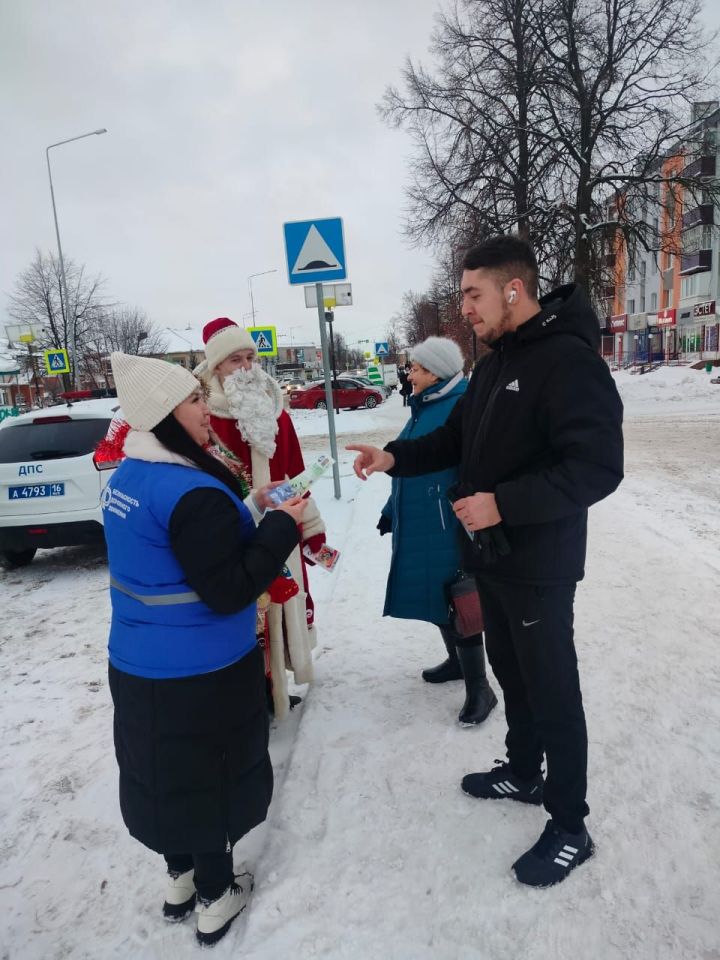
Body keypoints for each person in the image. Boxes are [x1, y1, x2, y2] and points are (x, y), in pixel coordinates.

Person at [349, 235, 623, 888]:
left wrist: (502, 504)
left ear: (512, 290)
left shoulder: (566, 361)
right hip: (490, 559)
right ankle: (524, 771)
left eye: (472, 295)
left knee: (553, 690)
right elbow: (454, 437)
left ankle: (569, 825)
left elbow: (597, 467)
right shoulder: (497, 361)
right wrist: (394, 457)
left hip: (537, 563)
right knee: (512, 674)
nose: (464, 308)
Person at [104, 352, 307, 945]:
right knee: (207, 776)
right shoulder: (191, 490)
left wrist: (246, 512)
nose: (205, 411)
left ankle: (179, 877)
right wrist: (280, 527)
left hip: (138, 664)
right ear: (166, 414)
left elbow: (175, 551)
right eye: (194, 401)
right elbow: (227, 589)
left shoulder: (129, 478)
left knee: (159, 771)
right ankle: (216, 894)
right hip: (204, 670)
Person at [194, 318, 326, 719]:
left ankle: (273, 688)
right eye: (235, 359)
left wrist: (306, 524)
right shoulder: (203, 416)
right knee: (244, 617)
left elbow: (298, 473)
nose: (247, 367)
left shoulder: (275, 410)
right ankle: (246, 695)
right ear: (216, 366)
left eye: (251, 356)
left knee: (280, 609)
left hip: (277, 528)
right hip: (229, 532)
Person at [377, 336, 496, 726]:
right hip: (421, 519)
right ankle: (457, 663)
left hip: (448, 522)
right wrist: (390, 510)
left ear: (436, 372)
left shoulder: (460, 404)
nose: (410, 373)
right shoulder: (424, 405)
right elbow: (409, 465)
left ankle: (481, 688)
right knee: (436, 596)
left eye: (416, 367)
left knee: (458, 600)